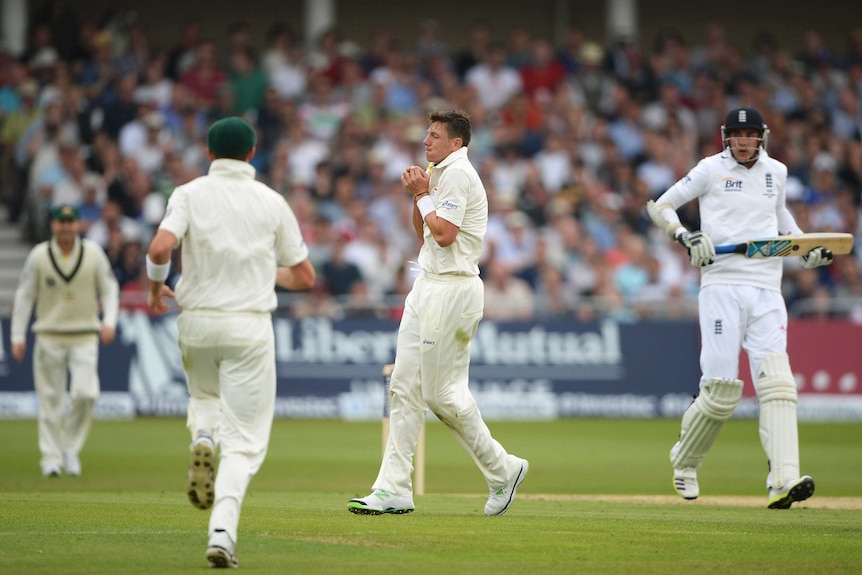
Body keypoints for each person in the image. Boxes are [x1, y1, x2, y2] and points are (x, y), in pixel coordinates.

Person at [145, 117, 315, 568]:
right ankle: (221, 532)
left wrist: (153, 287)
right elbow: (304, 276)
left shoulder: (188, 193)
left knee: (204, 396)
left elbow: (159, 249)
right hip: (248, 328)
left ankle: (202, 435)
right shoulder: (271, 200)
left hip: (195, 321)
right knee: (243, 443)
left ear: (208, 153)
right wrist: (261, 272)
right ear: (253, 152)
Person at [646, 107, 834, 509]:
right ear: (726, 137)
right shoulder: (710, 169)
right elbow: (660, 206)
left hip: (767, 288)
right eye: (737, 135)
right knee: (720, 393)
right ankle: (684, 460)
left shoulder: (777, 172)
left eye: (751, 134)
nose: (744, 141)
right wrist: (686, 236)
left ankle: (782, 480)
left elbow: (781, 217)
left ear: (762, 136)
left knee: (778, 384)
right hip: (722, 285)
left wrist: (806, 247)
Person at [347, 110, 528, 517]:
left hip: (454, 288)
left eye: (434, 135)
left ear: (456, 143)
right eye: (426, 134)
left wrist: (422, 194)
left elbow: (445, 237)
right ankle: (393, 489)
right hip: (427, 284)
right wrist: (419, 192)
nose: (425, 140)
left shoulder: (461, 174)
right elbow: (424, 232)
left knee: (440, 394)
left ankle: (504, 469)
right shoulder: (436, 171)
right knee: (403, 387)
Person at [10, 204, 119, 478]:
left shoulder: (92, 253)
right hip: (49, 335)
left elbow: (109, 287)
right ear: (53, 225)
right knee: (50, 400)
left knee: (86, 393)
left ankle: (69, 448)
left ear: (77, 225)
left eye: (71, 222)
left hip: (84, 335)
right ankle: (51, 458)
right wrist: (17, 335)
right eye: (62, 222)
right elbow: (24, 296)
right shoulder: (39, 255)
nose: (67, 227)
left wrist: (109, 321)